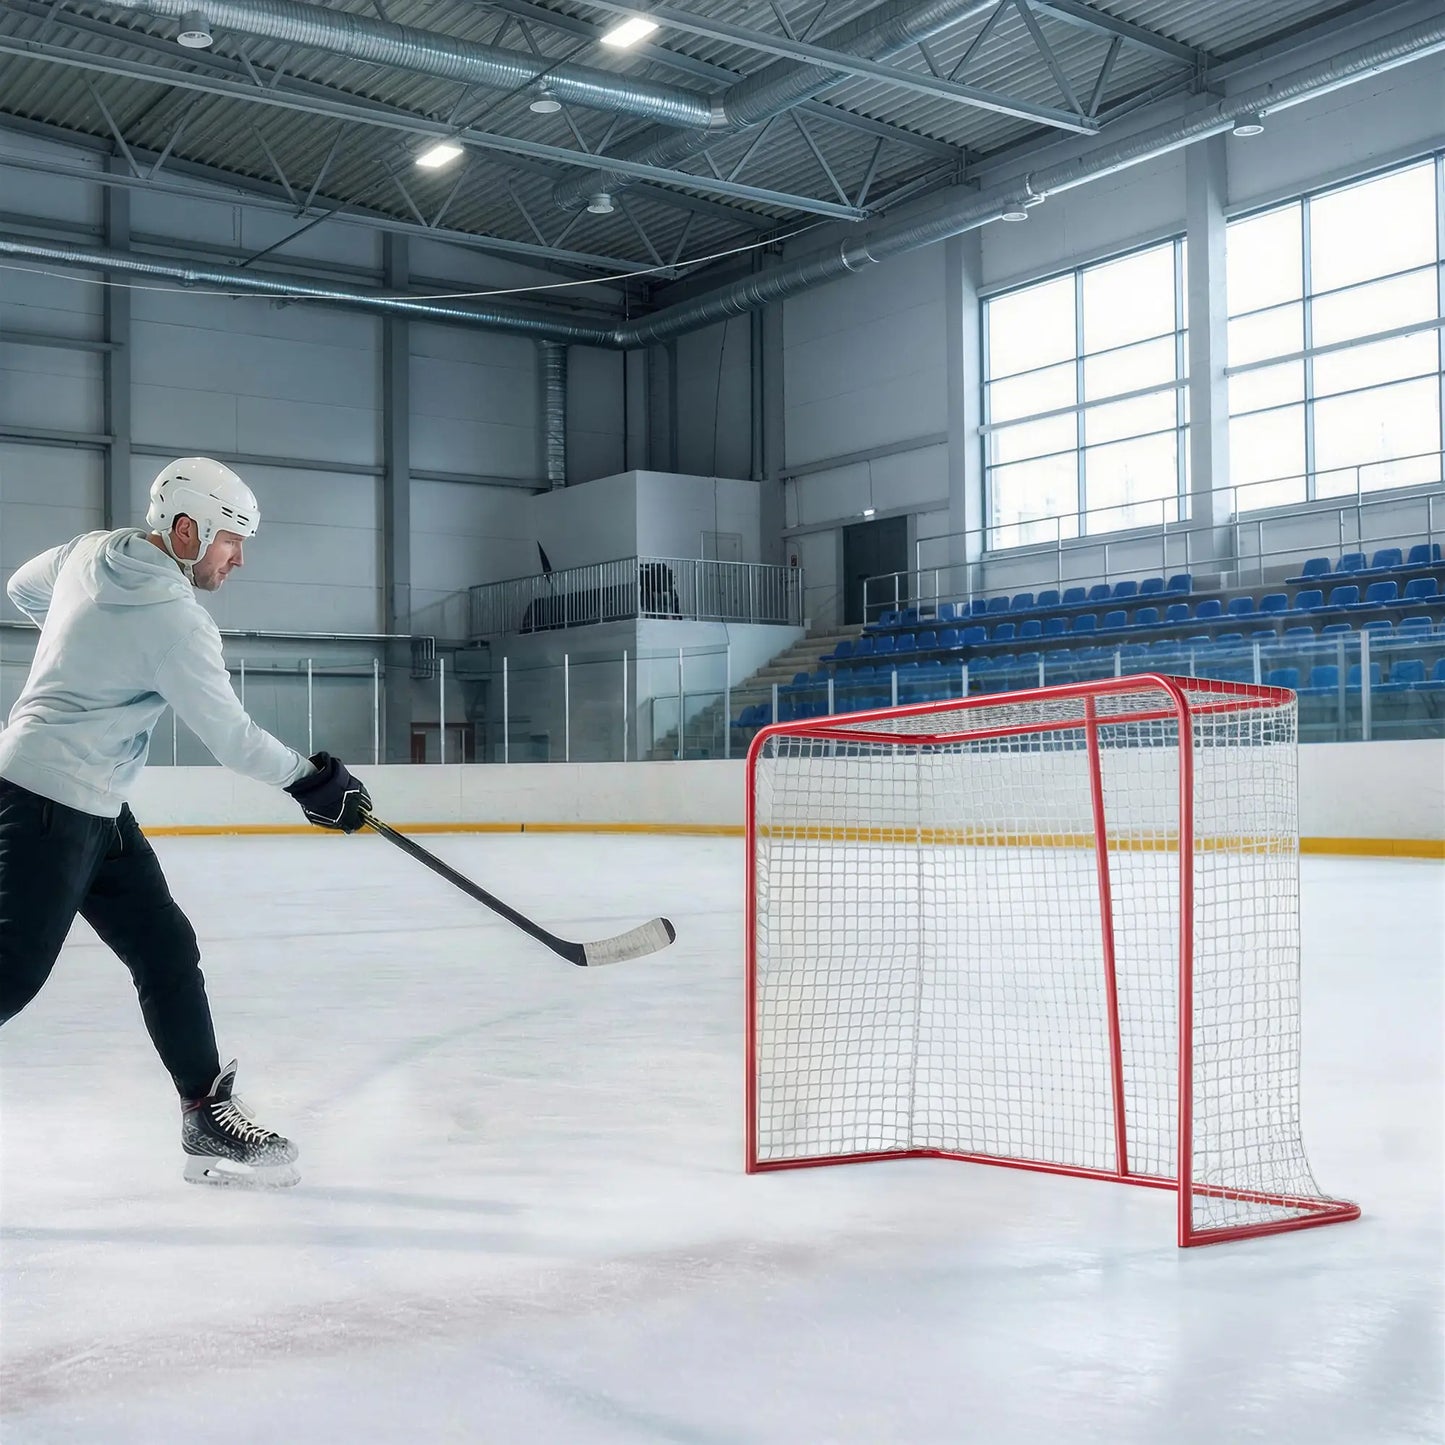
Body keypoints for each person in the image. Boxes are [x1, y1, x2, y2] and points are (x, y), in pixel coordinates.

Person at [0, 458, 372, 1188]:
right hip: (48, 798)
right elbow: (232, 739)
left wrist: (83, 647)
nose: (239, 558)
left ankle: (205, 1113)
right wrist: (315, 781)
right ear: (185, 528)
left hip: (92, 801)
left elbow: (19, 586)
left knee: (166, 944)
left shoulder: (88, 553)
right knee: (9, 975)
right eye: (232, 539)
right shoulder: (176, 623)